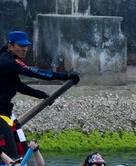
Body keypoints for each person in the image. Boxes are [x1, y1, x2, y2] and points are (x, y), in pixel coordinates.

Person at [0, 30, 79, 158]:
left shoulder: (8, 60)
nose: (24, 49)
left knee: (24, 153)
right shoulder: (9, 62)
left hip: (8, 114)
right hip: (1, 116)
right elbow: (37, 73)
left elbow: (18, 85)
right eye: (20, 46)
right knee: (11, 156)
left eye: (26, 46)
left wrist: (40, 94)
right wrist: (66, 76)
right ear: (10, 46)